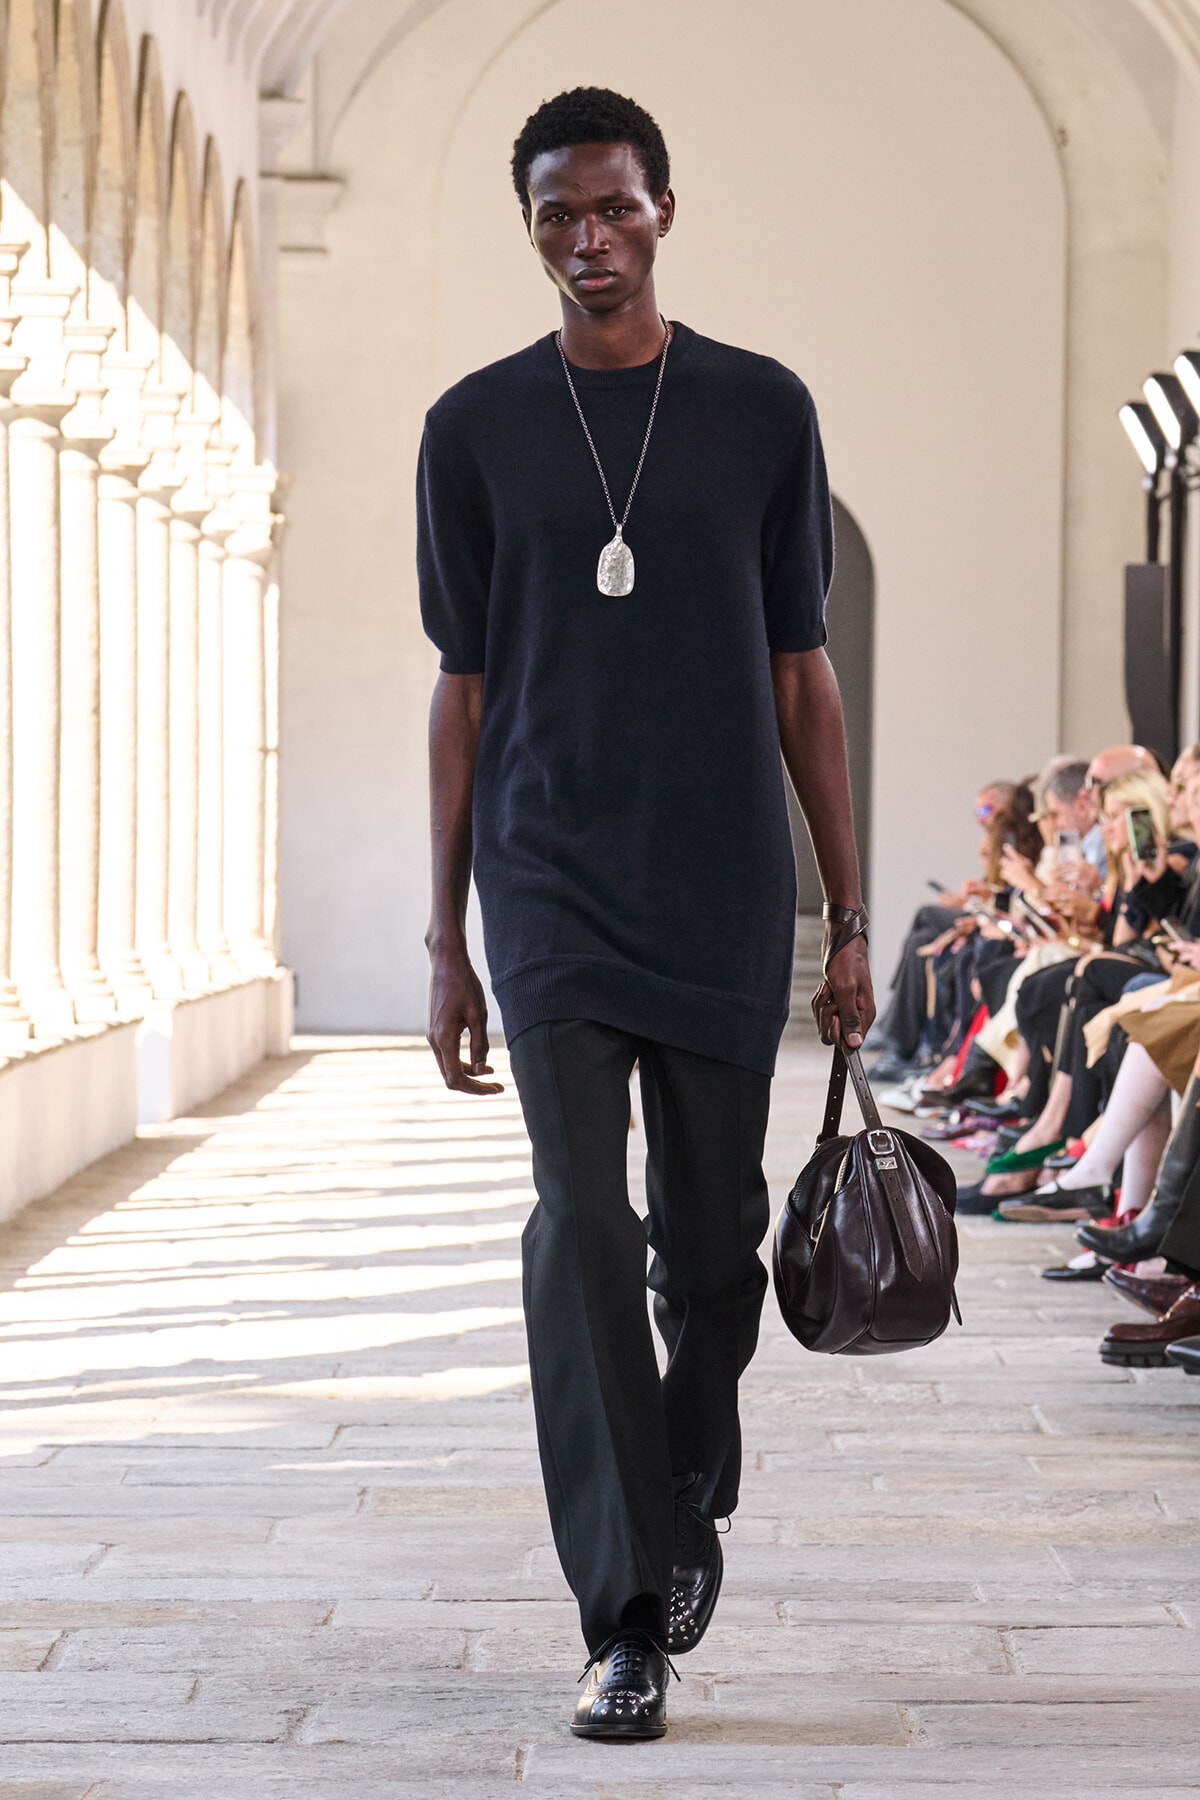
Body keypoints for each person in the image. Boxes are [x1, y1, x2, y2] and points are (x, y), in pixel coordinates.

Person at [417, 87, 872, 1742]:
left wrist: (850, 911)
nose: (586, 238)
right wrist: (446, 932)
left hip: (719, 876)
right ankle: (623, 1613)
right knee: (580, 1226)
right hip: (544, 872)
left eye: (612, 208)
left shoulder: (762, 410)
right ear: (529, 225)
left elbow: (802, 679)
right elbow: (460, 692)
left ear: (664, 209)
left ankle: (694, 1466)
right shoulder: (473, 429)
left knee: (709, 1247)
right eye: (556, 214)